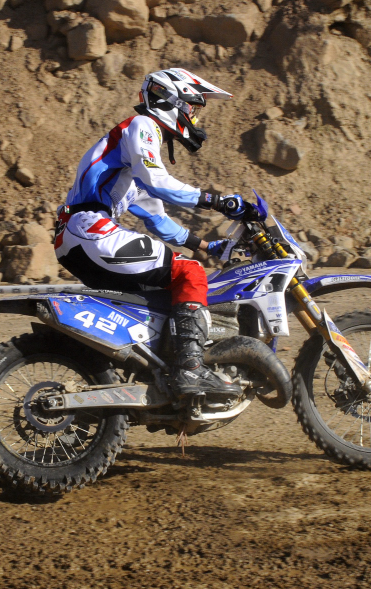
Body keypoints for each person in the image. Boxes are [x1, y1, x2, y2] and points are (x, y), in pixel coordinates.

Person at [55, 68, 252, 401]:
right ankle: (190, 368)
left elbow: (159, 221)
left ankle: (153, 373)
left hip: (77, 236)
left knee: (165, 292)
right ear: (172, 101)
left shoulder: (128, 172)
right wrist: (218, 201)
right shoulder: (141, 125)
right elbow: (159, 182)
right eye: (193, 107)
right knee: (190, 272)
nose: (194, 117)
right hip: (89, 228)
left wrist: (209, 246)